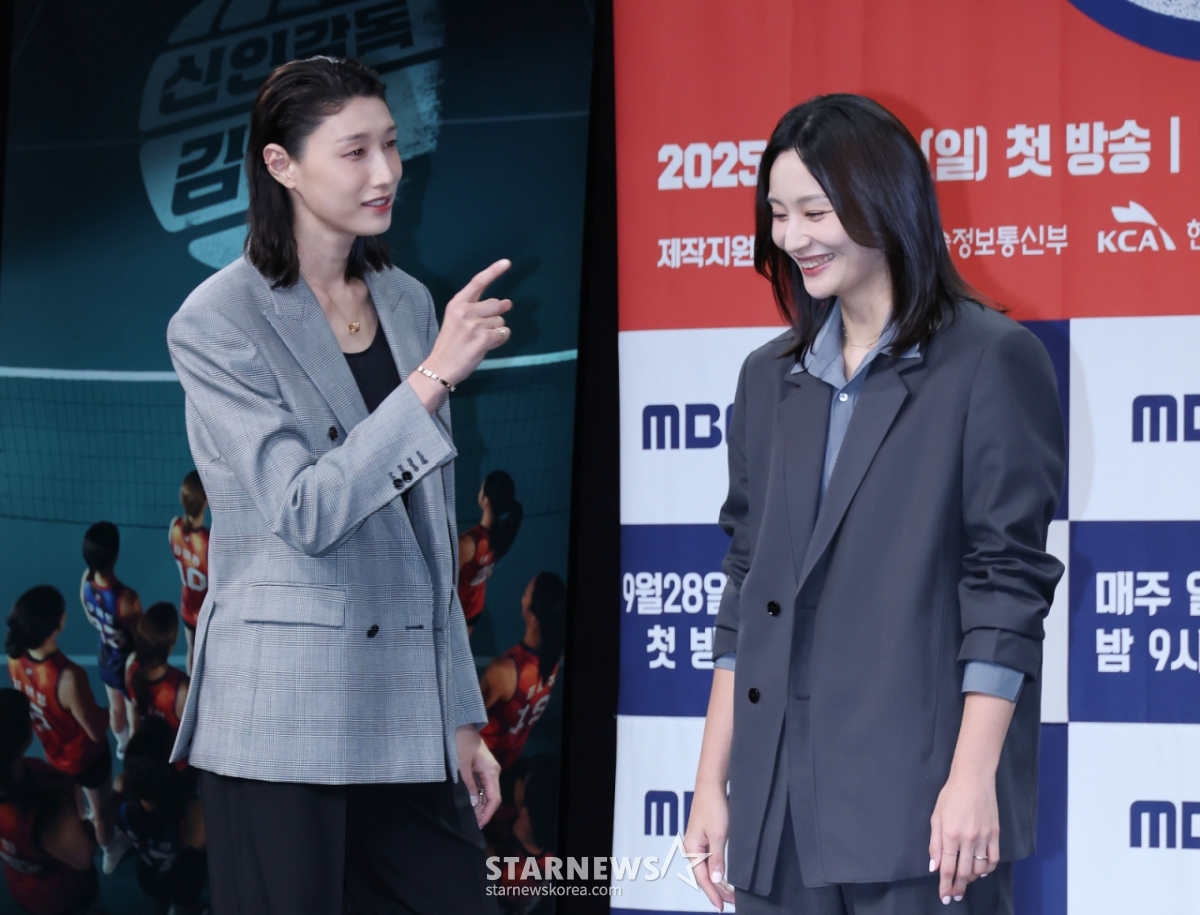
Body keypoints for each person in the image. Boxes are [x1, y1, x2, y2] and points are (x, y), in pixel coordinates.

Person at [683, 94, 1065, 915]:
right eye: (778, 213)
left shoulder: (991, 360)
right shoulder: (767, 377)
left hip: (921, 807)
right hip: (777, 805)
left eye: (815, 211)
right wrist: (712, 781)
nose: (792, 237)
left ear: (885, 202)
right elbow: (747, 582)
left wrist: (972, 778)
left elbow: (1007, 584)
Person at [166, 55, 512, 914]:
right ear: (281, 164)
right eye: (355, 151)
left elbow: (432, 534)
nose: (386, 171)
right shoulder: (215, 320)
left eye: (390, 144)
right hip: (282, 719)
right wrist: (431, 378)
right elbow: (306, 510)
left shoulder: (408, 302)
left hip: (404, 716)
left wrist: (459, 713)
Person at [6, 586, 130, 874]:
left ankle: (81, 822)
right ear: (56, 627)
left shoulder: (15, 660)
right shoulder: (68, 677)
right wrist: (110, 712)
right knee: (102, 813)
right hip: (86, 758)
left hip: (53, 750)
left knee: (72, 800)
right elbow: (96, 731)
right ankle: (110, 848)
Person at [0, 688, 100, 915]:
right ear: (25, 737)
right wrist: (94, 824)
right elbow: (83, 857)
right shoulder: (46, 809)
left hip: (24, 890)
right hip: (64, 898)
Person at [116, 719, 207, 915]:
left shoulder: (122, 802)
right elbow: (196, 847)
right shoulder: (187, 809)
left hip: (149, 878)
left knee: (157, 905)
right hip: (183, 885)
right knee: (185, 909)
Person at [478, 572, 565, 770]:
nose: (522, 597)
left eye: (526, 593)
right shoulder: (552, 662)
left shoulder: (504, 670)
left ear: (532, 616)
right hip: (510, 763)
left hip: (482, 769)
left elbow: (464, 722)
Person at [79, 520, 142, 758]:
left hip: (106, 656)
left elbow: (90, 616)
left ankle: (122, 746)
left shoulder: (86, 583)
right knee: (134, 712)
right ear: (115, 555)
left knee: (115, 709)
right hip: (127, 664)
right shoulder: (127, 598)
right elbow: (140, 639)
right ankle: (135, 754)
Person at [459, 471, 523, 633]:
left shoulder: (469, 543)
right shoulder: (502, 536)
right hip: (474, 609)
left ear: (485, 501)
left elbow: (443, 583)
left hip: (457, 612)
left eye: (481, 489)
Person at [124, 603, 189, 742]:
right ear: (172, 642)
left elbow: (134, 723)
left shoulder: (131, 666)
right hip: (172, 755)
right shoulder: (181, 689)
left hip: (145, 751)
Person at [169, 470, 209, 675]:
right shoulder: (208, 543)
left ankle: (191, 687)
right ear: (206, 502)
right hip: (207, 612)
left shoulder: (174, 528)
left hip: (187, 606)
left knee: (192, 650)